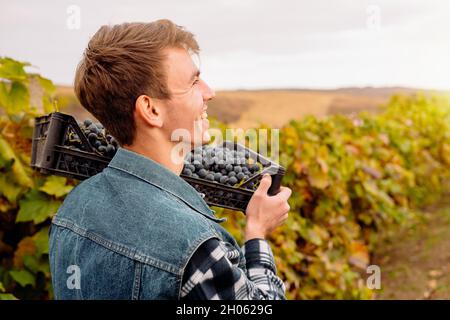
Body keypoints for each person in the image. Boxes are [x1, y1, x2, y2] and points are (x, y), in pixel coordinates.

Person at [49, 19, 292, 300]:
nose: (209, 92)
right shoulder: (195, 247)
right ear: (150, 109)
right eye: (193, 82)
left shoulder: (71, 210)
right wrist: (257, 232)